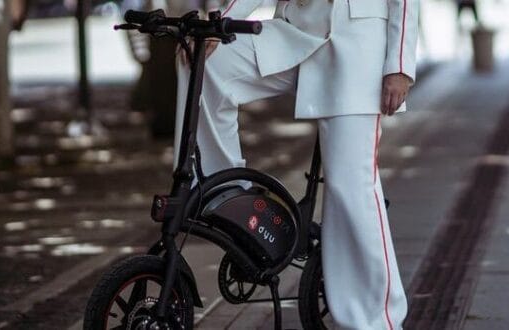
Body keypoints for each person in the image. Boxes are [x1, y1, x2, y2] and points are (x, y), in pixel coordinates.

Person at [172, 0, 418, 327]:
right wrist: (220, 24)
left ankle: (378, 322)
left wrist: (399, 65)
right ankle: (223, 193)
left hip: (358, 43)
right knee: (202, 60)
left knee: (351, 188)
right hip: (295, 33)